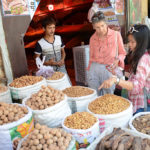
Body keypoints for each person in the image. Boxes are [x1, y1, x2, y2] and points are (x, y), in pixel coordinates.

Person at [99, 24, 150, 114]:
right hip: (136, 102)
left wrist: (116, 80)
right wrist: (119, 72)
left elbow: (136, 87)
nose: (129, 44)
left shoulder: (144, 59)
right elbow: (134, 76)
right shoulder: (138, 55)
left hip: (142, 106)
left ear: (142, 42)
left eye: (132, 42)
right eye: (129, 41)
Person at [87, 11, 126, 96]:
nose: (101, 29)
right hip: (94, 69)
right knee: (94, 95)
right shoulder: (92, 39)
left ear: (106, 24)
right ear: (93, 27)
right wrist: (89, 71)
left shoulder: (116, 35)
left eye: (102, 25)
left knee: (108, 96)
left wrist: (118, 60)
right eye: (97, 27)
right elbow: (91, 57)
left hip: (109, 69)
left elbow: (122, 53)